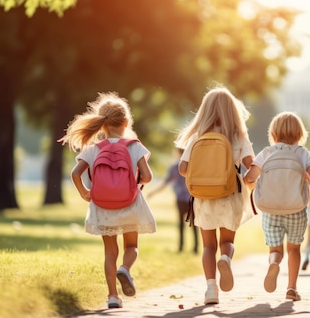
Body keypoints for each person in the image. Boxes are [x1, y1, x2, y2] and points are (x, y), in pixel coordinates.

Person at [58, 92, 156, 309]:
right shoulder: (134, 146)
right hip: (130, 203)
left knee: (110, 252)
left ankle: (112, 296)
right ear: (127, 122)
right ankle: (126, 269)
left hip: (102, 206)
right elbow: (147, 176)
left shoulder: (93, 149)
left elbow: (75, 173)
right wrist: (139, 183)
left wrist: (85, 192)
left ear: (101, 125)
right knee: (132, 246)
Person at [175, 84, 255, 305]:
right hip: (231, 194)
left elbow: (183, 168)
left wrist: (202, 174)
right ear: (233, 111)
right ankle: (226, 258)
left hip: (203, 197)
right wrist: (251, 178)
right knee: (226, 241)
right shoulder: (239, 136)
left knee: (208, 245)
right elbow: (252, 165)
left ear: (205, 111)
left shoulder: (198, 137)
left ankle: (211, 289)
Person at [243, 111, 310, 302]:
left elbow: (249, 178)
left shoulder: (267, 152)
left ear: (273, 133)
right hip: (296, 209)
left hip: (270, 210)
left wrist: (253, 185)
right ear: (300, 134)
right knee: (294, 249)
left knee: (275, 250)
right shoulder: (302, 153)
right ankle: (291, 288)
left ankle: (274, 263)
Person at [147, 148, 199, 254]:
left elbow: (165, 182)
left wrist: (153, 192)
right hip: (192, 199)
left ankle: (181, 247)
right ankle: (195, 248)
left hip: (180, 199)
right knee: (195, 223)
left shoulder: (175, 167)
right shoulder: (194, 166)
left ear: (178, 153)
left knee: (181, 223)